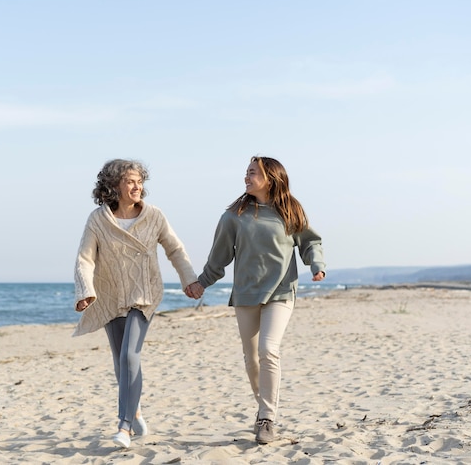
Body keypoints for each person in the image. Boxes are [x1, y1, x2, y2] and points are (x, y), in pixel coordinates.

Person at [187, 156, 326, 445]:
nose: (246, 178)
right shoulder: (234, 215)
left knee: (268, 350)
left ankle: (267, 418)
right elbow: (219, 257)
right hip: (246, 294)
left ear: (270, 178)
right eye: (246, 173)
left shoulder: (290, 210)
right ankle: (263, 406)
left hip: (281, 291)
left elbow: (310, 242)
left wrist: (316, 264)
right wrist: (201, 283)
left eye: (252, 173)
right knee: (252, 359)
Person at [73, 159, 202, 449]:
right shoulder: (98, 219)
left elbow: (175, 248)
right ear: (114, 185)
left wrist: (189, 280)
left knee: (131, 355)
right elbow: (85, 258)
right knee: (122, 363)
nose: (137, 186)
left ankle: (125, 426)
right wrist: (85, 291)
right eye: (130, 181)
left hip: (144, 294)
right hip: (109, 296)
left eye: (140, 181)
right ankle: (136, 410)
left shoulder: (154, 216)